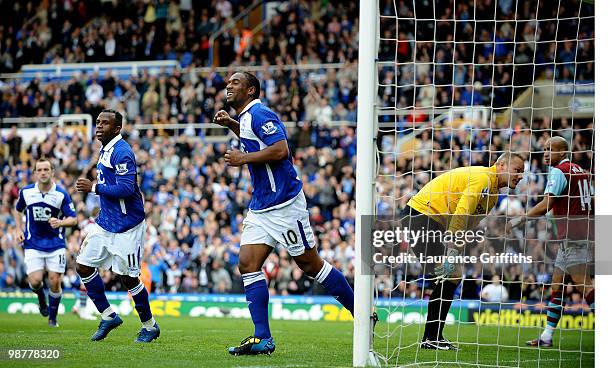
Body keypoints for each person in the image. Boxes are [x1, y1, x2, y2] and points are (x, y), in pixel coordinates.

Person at [213, 72, 354, 356]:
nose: (228, 86)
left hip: (285, 204)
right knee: (247, 263)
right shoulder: (246, 119)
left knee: (310, 264)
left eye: (236, 82)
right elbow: (256, 142)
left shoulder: (261, 113)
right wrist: (232, 125)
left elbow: (280, 150)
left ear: (251, 90)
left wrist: (241, 159)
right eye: (228, 82)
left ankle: (362, 313)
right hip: (262, 205)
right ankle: (262, 338)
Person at [404, 152, 525, 350]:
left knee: (452, 275)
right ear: (501, 165)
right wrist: (452, 251)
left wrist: (456, 250)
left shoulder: (493, 195)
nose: (520, 176)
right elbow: (461, 212)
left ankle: (433, 337)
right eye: (517, 170)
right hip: (422, 216)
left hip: (434, 222)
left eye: (522, 173)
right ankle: (431, 338)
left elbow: (467, 225)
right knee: (449, 275)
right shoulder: (483, 177)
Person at [75, 109, 160, 342]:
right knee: (83, 265)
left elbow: (126, 188)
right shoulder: (105, 150)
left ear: (117, 128)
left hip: (127, 226)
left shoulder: (122, 152)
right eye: (98, 122)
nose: (99, 126)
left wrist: (93, 187)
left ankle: (150, 326)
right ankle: (108, 315)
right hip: (105, 223)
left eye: (105, 123)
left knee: (129, 278)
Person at [506, 136, 594, 347]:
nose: (545, 153)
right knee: (557, 286)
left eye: (550, 149)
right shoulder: (581, 171)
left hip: (574, 237)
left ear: (563, 153)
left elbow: (547, 204)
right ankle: (546, 336)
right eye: (544, 149)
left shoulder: (558, 171)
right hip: (578, 235)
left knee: (586, 289)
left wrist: (521, 219)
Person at [13, 157, 77, 327]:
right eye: (39, 170)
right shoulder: (26, 192)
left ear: (52, 172)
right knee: (35, 281)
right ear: (34, 173)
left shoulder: (61, 194)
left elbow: (73, 219)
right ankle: (41, 298)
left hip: (55, 243)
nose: (43, 173)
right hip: (33, 242)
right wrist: (18, 229)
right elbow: (17, 211)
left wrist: (61, 222)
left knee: (55, 280)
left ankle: (52, 319)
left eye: (46, 170)